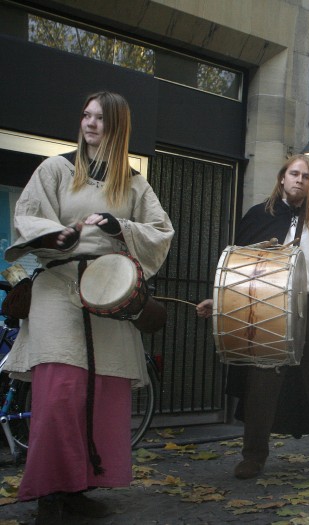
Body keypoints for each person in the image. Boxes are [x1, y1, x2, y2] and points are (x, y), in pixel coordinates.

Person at [3, 91, 174, 524]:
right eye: (86, 115)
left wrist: (122, 227)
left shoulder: (134, 183)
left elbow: (160, 231)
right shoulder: (56, 169)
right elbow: (28, 214)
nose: (90, 123)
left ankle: (78, 489)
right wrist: (55, 235)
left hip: (108, 292)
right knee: (60, 394)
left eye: (100, 118)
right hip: (58, 287)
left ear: (117, 126)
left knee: (101, 396)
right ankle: (49, 493)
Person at [195, 154, 309, 480]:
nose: (299, 180)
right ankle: (253, 456)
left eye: (305, 176)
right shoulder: (258, 215)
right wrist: (220, 301)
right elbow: (237, 266)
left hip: (308, 304)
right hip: (264, 304)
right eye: (294, 174)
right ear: (282, 177)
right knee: (262, 380)